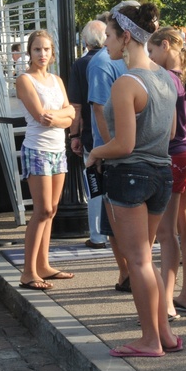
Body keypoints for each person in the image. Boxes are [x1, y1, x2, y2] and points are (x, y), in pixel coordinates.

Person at [87, 2, 181, 358]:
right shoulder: (166, 78)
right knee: (148, 259)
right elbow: (170, 131)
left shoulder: (126, 82)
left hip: (130, 175)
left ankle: (149, 340)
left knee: (138, 260)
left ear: (126, 37)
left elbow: (123, 144)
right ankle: (165, 334)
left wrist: (97, 153)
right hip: (160, 173)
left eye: (110, 36)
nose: (106, 43)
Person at [147, 27, 186, 315]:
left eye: (152, 51)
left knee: (166, 233)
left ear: (165, 45)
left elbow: (167, 130)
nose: (151, 57)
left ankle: (167, 301)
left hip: (172, 155)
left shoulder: (166, 79)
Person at [16, 30, 75, 290]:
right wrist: (63, 116)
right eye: (37, 49)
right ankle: (28, 271)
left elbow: (71, 114)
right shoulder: (25, 80)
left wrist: (62, 117)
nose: (42, 54)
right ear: (29, 52)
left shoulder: (56, 80)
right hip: (37, 148)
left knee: (52, 210)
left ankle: (43, 264)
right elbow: (42, 117)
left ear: (53, 53)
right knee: (42, 211)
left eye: (47, 49)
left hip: (58, 149)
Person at [88, 2, 139, 292]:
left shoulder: (129, 61)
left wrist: (111, 149)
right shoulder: (104, 61)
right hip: (114, 151)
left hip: (123, 153)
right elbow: (99, 108)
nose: (104, 41)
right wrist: (109, 148)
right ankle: (125, 273)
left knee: (119, 222)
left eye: (108, 35)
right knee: (113, 220)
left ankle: (130, 273)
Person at [67, 19, 108, 249]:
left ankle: (97, 235)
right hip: (116, 133)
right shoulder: (116, 61)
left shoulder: (80, 65)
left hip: (92, 135)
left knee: (94, 185)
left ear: (85, 41)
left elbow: (76, 106)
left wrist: (74, 135)